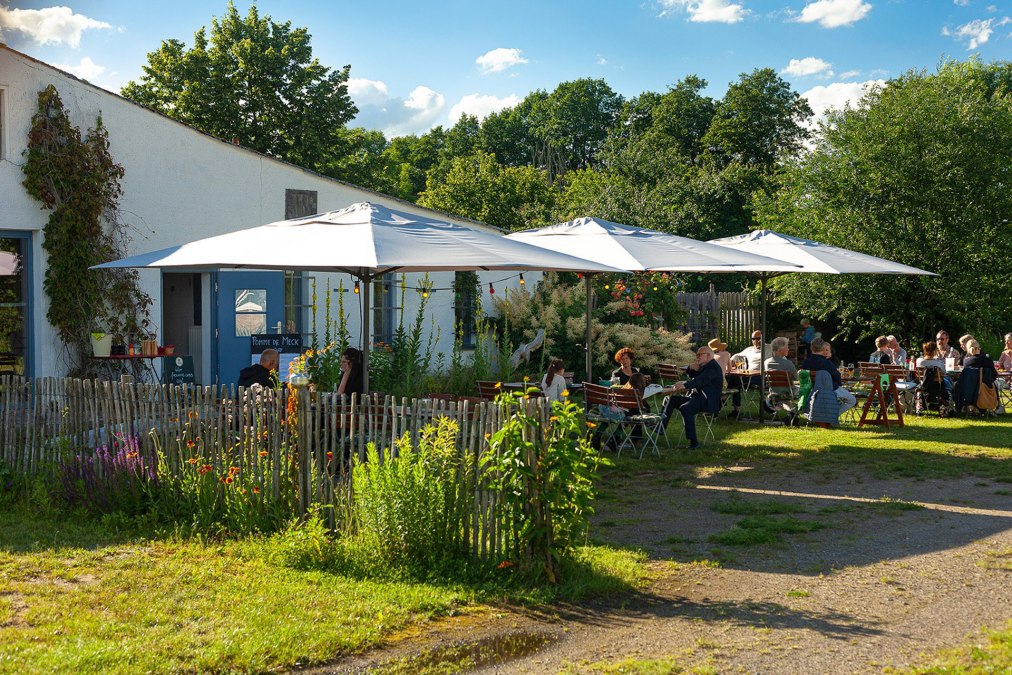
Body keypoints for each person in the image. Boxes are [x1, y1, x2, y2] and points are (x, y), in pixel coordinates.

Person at [661, 346, 725, 449]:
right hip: (697, 398)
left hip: (708, 401)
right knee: (670, 399)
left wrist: (684, 385)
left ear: (708, 355)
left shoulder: (712, 367)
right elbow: (695, 377)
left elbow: (700, 381)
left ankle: (694, 443)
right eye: (697, 355)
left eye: (700, 355)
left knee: (685, 408)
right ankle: (661, 427)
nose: (697, 357)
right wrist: (690, 369)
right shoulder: (705, 366)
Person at [801, 338, 857, 414]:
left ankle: (823, 416)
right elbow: (837, 377)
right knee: (852, 400)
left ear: (811, 347)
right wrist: (839, 385)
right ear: (823, 348)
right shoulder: (827, 363)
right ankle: (832, 415)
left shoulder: (806, 363)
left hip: (810, 391)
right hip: (829, 391)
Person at [726, 330, 769, 417]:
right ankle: (736, 409)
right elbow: (737, 355)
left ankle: (722, 399)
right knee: (733, 379)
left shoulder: (769, 347)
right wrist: (732, 360)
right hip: (749, 375)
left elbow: (780, 357)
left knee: (735, 381)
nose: (756, 341)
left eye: (758, 338)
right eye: (753, 339)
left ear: (763, 338)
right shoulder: (749, 349)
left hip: (762, 377)